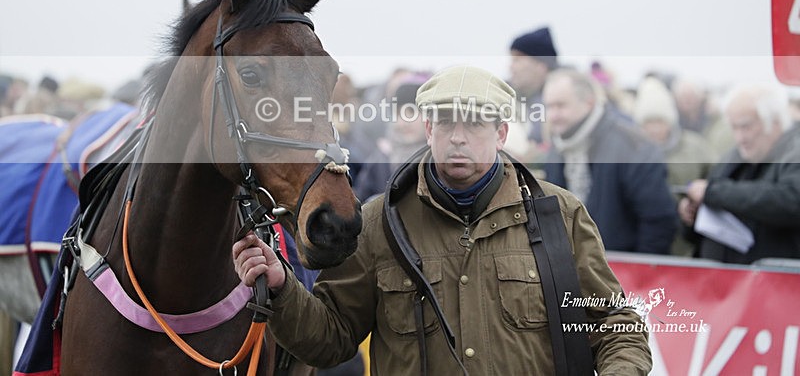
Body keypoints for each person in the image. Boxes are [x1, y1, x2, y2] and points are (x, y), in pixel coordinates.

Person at [233, 65, 652, 375]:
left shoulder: (559, 215)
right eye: (446, 122)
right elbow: (331, 338)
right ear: (428, 128)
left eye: (474, 123)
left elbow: (616, 326)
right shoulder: (381, 222)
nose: (458, 136)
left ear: (502, 133)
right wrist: (283, 288)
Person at [541, 68, 678, 254]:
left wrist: (637, 274)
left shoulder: (633, 146)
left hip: (623, 269)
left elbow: (658, 221)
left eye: (561, 106)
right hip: (572, 269)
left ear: (588, 103)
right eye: (549, 107)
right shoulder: (557, 149)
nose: (553, 115)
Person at [678, 83, 800, 264]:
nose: (740, 137)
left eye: (746, 126)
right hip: (725, 280)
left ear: (774, 122)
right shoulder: (735, 156)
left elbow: (790, 200)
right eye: (734, 128)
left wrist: (713, 193)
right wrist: (693, 213)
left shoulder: (793, 151)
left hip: (774, 282)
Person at [632, 76, 715, 256]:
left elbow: (715, 179)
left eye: (659, 121)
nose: (654, 129)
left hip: (688, 240)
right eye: (648, 123)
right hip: (648, 241)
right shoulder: (631, 154)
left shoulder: (695, 147)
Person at [506, 26, 559, 164]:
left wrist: (536, 158)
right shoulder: (509, 99)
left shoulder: (570, 100)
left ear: (541, 65)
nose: (511, 67)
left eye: (517, 60)